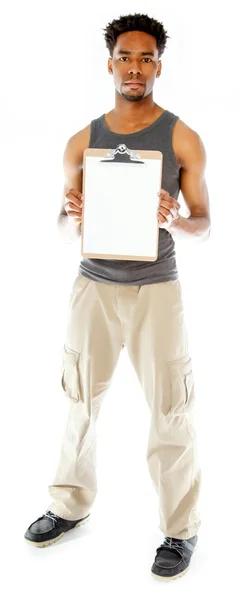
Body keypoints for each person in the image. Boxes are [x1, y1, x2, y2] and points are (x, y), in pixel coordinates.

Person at [24, 13, 211, 581]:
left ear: (159, 65)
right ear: (110, 64)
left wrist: (175, 218)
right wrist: (70, 213)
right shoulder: (84, 140)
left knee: (170, 411)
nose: (135, 67)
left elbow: (205, 221)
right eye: (126, 57)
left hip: (157, 288)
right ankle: (69, 506)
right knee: (80, 402)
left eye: (146, 58)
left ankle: (179, 530)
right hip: (94, 288)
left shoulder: (181, 137)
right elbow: (60, 224)